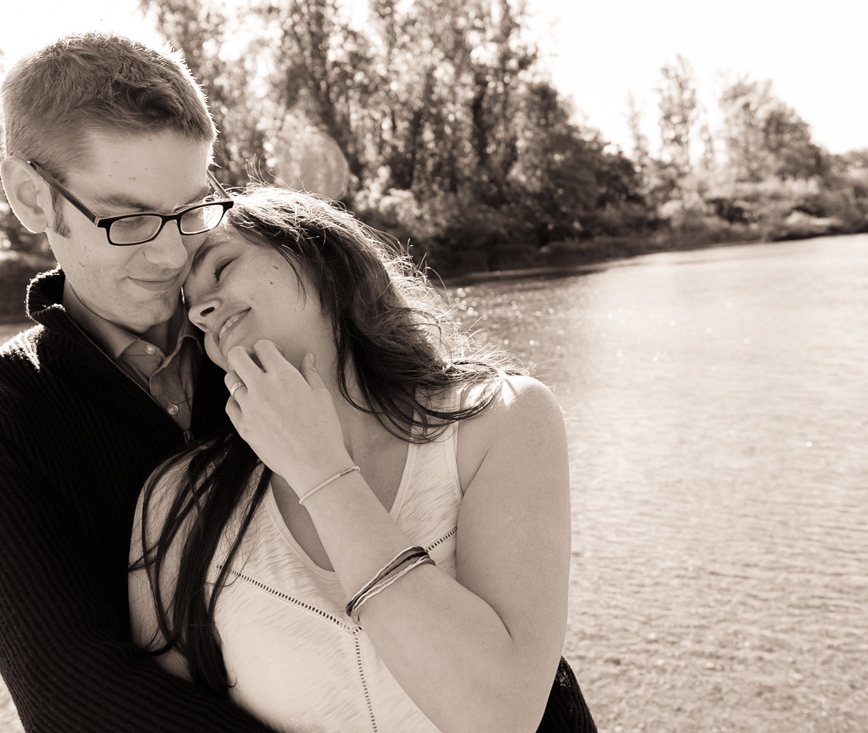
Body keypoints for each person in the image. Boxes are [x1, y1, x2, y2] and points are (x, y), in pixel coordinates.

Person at [129, 187, 597, 732]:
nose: (203, 312)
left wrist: (318, 470)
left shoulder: (500, 417)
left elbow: (498, 715)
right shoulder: (177, 502)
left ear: (320, 254)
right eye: (191, 311)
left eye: (223, 267)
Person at [0, 32, 277, 731]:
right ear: (31, 197)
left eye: (191, 208)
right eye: (131, 218)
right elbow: (72, 693)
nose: (173, 254)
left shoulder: (275, 314)